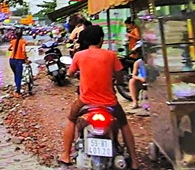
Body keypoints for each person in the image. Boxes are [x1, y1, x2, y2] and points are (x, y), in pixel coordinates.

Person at [59, 26, 140, 169]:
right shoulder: (111, 55)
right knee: (124, 124)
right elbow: (119, 76)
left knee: (71, 120)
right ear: (101, 39)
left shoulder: (79, 55)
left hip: (85, 102)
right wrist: (119, 82)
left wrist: (72, 73)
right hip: (110, 103)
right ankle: (134, 160)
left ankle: (65, 155)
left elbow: (70, 73)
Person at [8, 29, 29, 98]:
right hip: (19, 60)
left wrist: (13, 50)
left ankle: (17, 87)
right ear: (22, 35)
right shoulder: (23, 42)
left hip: (11, 60)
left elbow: (9, 49)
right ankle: (18, 91)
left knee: (16, 74)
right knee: (19, 76)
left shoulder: (13, 41)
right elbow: (23, 50)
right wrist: (26, 59)